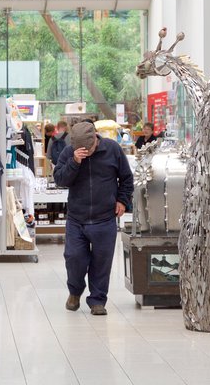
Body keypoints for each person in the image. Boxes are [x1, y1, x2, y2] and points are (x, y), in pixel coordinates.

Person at [52, 121, 133, 315]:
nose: (86, 152)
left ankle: (97, 300)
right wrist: (74, 161)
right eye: (81, 149)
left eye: (89, 149)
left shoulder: (112, 149)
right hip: (76, 218)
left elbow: (127, 178)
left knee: (101, 261)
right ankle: (74, 291)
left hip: (105, 217)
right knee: (74, 258)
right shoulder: (69, 152)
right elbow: (60, 180)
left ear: (96, 138)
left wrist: (122, 200)